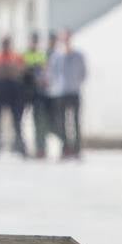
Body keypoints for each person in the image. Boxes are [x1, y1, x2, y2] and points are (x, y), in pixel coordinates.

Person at [46, 30, 87, 160]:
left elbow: (83, 73)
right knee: (61, 122)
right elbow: (52, 73)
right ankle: (65, 148)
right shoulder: (56, 56)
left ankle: (76, 148)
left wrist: (76, 83)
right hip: (61, 92)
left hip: (74, 91)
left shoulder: (78, 55)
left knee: (75, 121)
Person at [0, 36, 28, 158]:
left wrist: (6, 69)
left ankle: (21, 148)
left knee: (17, 121)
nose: (5, 45)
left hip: (13, 91)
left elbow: (20, 71)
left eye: (7, 43)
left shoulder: (16, 56)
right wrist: (8, 69)